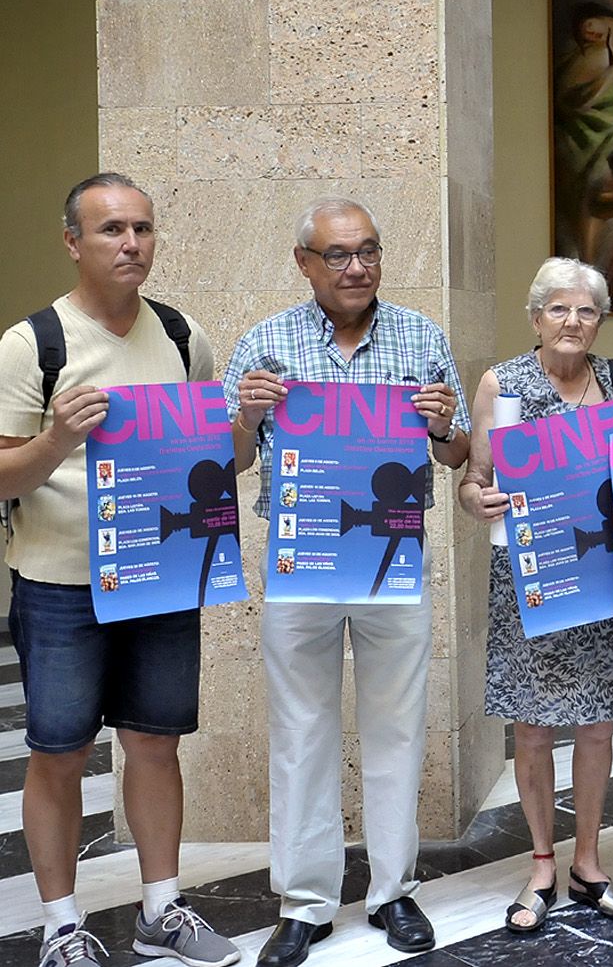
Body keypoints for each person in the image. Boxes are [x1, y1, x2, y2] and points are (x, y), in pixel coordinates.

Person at [0, 174, 240, 967]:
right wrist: (57, 441)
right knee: (59, 751)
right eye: (111, 230)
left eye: (141, 227)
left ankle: (161, 911)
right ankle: (63, 926)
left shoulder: (179, 334)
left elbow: (219, 460)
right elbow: (3, 475)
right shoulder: (33, 343)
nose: (130, 243)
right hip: (60, 582)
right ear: (73, 241)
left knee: (154, 742)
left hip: (161, 576)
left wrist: (251, 424)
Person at [224, 198, 470, 967]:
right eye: (337, 253)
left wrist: (439, 425)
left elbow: (459, 453)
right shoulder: (265, 343)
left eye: (367, 250)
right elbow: (227, 459)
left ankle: (394, 891)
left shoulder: (421, 337)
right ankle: (305, 902)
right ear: (304, 262)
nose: (356, 265)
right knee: (301, 731)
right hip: (302, 568)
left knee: (397, 728)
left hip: (393, 564)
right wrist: (243, 414)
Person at [457, 258, 613, 934]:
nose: (573, 322)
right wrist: (478, 499)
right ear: (536, 317)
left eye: (587, 310)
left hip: (599, 571)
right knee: (533, 726)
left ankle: (588, 862)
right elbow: (473, 479)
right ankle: (542, 863)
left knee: (596, 724)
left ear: (599, 320)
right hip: (530, 575)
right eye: (559, 309)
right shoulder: (502, 383)